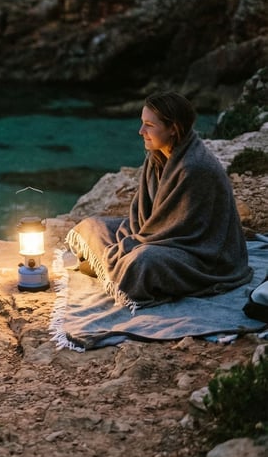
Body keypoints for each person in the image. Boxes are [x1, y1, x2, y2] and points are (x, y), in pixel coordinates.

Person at [66, 91, 252, 310]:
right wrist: (131, 243)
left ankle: (113, 269)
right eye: (142, 123)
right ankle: (113, 269)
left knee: (142, 262)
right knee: (90, 227)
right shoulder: (156, 156)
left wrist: (131, 246)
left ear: (173, 128)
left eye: (149, 125)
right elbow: (145, 218)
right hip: (155, 233)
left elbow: (181, 231)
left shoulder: (195, 168)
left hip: (201, 251)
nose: (141, 131)